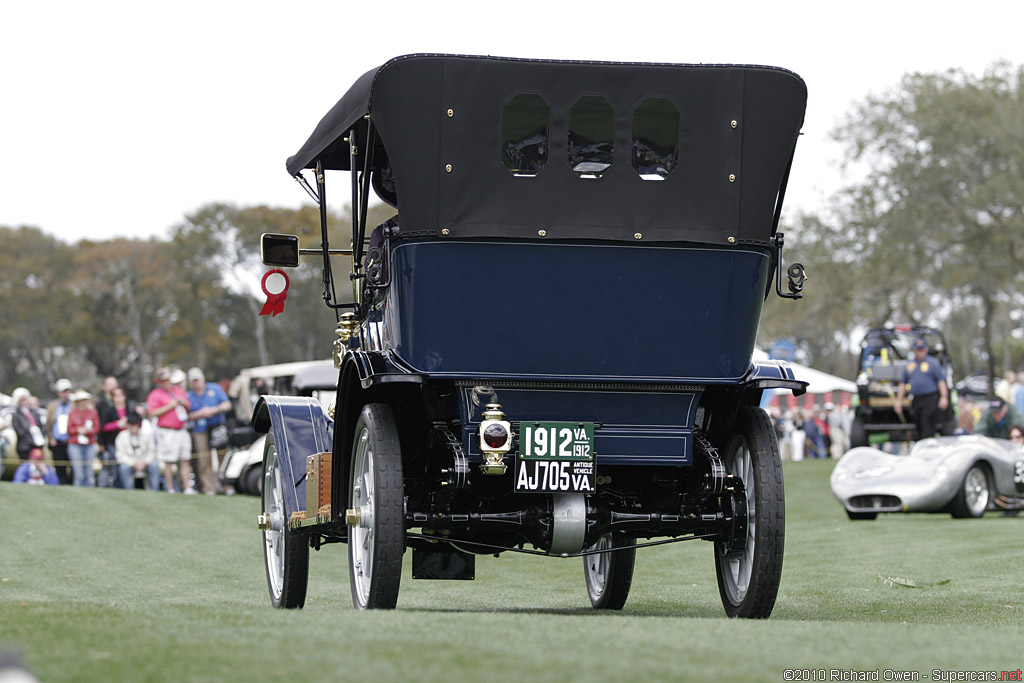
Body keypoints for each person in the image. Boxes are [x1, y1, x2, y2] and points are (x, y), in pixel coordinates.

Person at [147, 367, 195, 494]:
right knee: (169, 461)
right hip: (167, 431)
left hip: (182, 429)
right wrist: (170, 405)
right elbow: (152, 413)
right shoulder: (155, 394)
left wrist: (184, 403)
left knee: (185, 459)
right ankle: (170, 488)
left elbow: (189, 407)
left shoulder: (178, 391)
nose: (168, 383)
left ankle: (187, 487)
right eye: (165, 381)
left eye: (169, 380)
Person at [186, 367, 230, 495]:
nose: (196, 383)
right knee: (204, 459)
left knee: (223, 456)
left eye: (198, 380)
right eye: (193, 381)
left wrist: (213, 410)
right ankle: (209, 488)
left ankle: (225, 485)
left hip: (217, 427)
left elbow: (227, 405)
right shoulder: (188, 396)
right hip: (200, 430)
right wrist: (200, 414)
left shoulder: (215, 388)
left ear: (203, 378)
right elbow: (185, 416)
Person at [894, 338, 949, 441]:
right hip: (916, 399)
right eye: (918, 350)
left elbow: (941, 381)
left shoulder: (933, 363)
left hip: (930, 398)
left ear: (926, 349)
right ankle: (920, 444)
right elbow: (902, 384)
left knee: (927, 423)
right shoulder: (910, 364)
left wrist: (944, 397)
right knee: (918, 425)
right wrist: (899, 401)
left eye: (922, 349)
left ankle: (927, 447)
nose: (920, 352)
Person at [97, 384, 139, 488]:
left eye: (121, 395)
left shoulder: (130, 409)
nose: (119, 398)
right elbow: (103, 427)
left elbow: (138, 422)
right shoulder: (108, 411)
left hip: (129, 444)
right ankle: (115, 486)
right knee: (114, 467)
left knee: (126, 466)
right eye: (116, 396)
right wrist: (117, 424)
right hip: (113, 443)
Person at [114, 411, 161, 490]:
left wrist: (145, 462)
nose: (134, 428)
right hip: (130, 463)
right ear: (128, 426)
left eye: (136, 425)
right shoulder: (121, 437)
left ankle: (155, 490)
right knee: (124, 468)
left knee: (155, 466)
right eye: (132, 425)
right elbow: (120, 455)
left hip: (145, 462)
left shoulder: (146, 436)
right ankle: (129, 491)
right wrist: (133, 463)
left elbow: (152, 452)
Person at [66, 390, 100, 487]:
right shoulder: (72, 413)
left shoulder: (93, 413)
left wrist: (88, 431)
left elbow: (97, 428)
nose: (82, 403)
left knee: (89, 472)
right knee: (79, 473)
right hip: (75, 444)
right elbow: (69, 430)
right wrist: (78, 430)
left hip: (89, 444)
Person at [46, 378, 74, 484]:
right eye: (63, 391)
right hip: (57, 442)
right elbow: (48, 425)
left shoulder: (74, 405)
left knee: (73, 468)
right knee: (59, 468)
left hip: (71, 442)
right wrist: (51, 438)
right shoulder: (52, 406)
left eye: (67, 391)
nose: (65, 394)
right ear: (58, 392)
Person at [10, 388, 47, 462]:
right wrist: (31, 441)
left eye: (25, 399)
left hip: (38, 445)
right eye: (22, 400)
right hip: (25, 447)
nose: (25, 402)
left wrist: (40, 439)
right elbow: (20, 432)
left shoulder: (34, 413)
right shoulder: (16, 416)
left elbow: (41, 426)